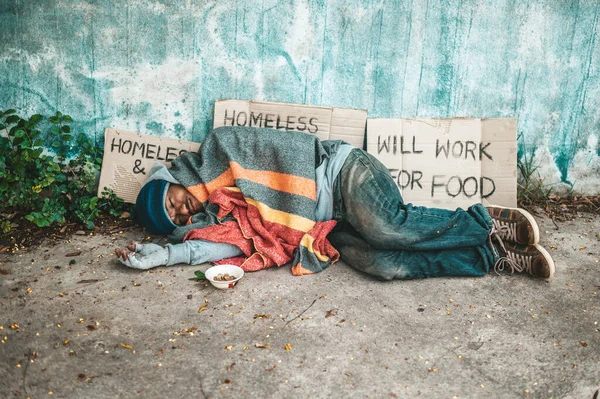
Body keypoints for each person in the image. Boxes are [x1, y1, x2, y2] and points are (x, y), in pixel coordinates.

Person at [115, 126, 555, 280]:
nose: (183, 212)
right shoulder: (220, 214)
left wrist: (277, 206)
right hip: (324, 224)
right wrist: (167, 255)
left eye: (173, 202)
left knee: (387, 227)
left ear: (172, 179)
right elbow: (233, 247)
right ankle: (487, 256)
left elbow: (289, 153)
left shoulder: (220, 149)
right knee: (382, 265)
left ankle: (486, 222)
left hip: (341, 174)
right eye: (176, 219)